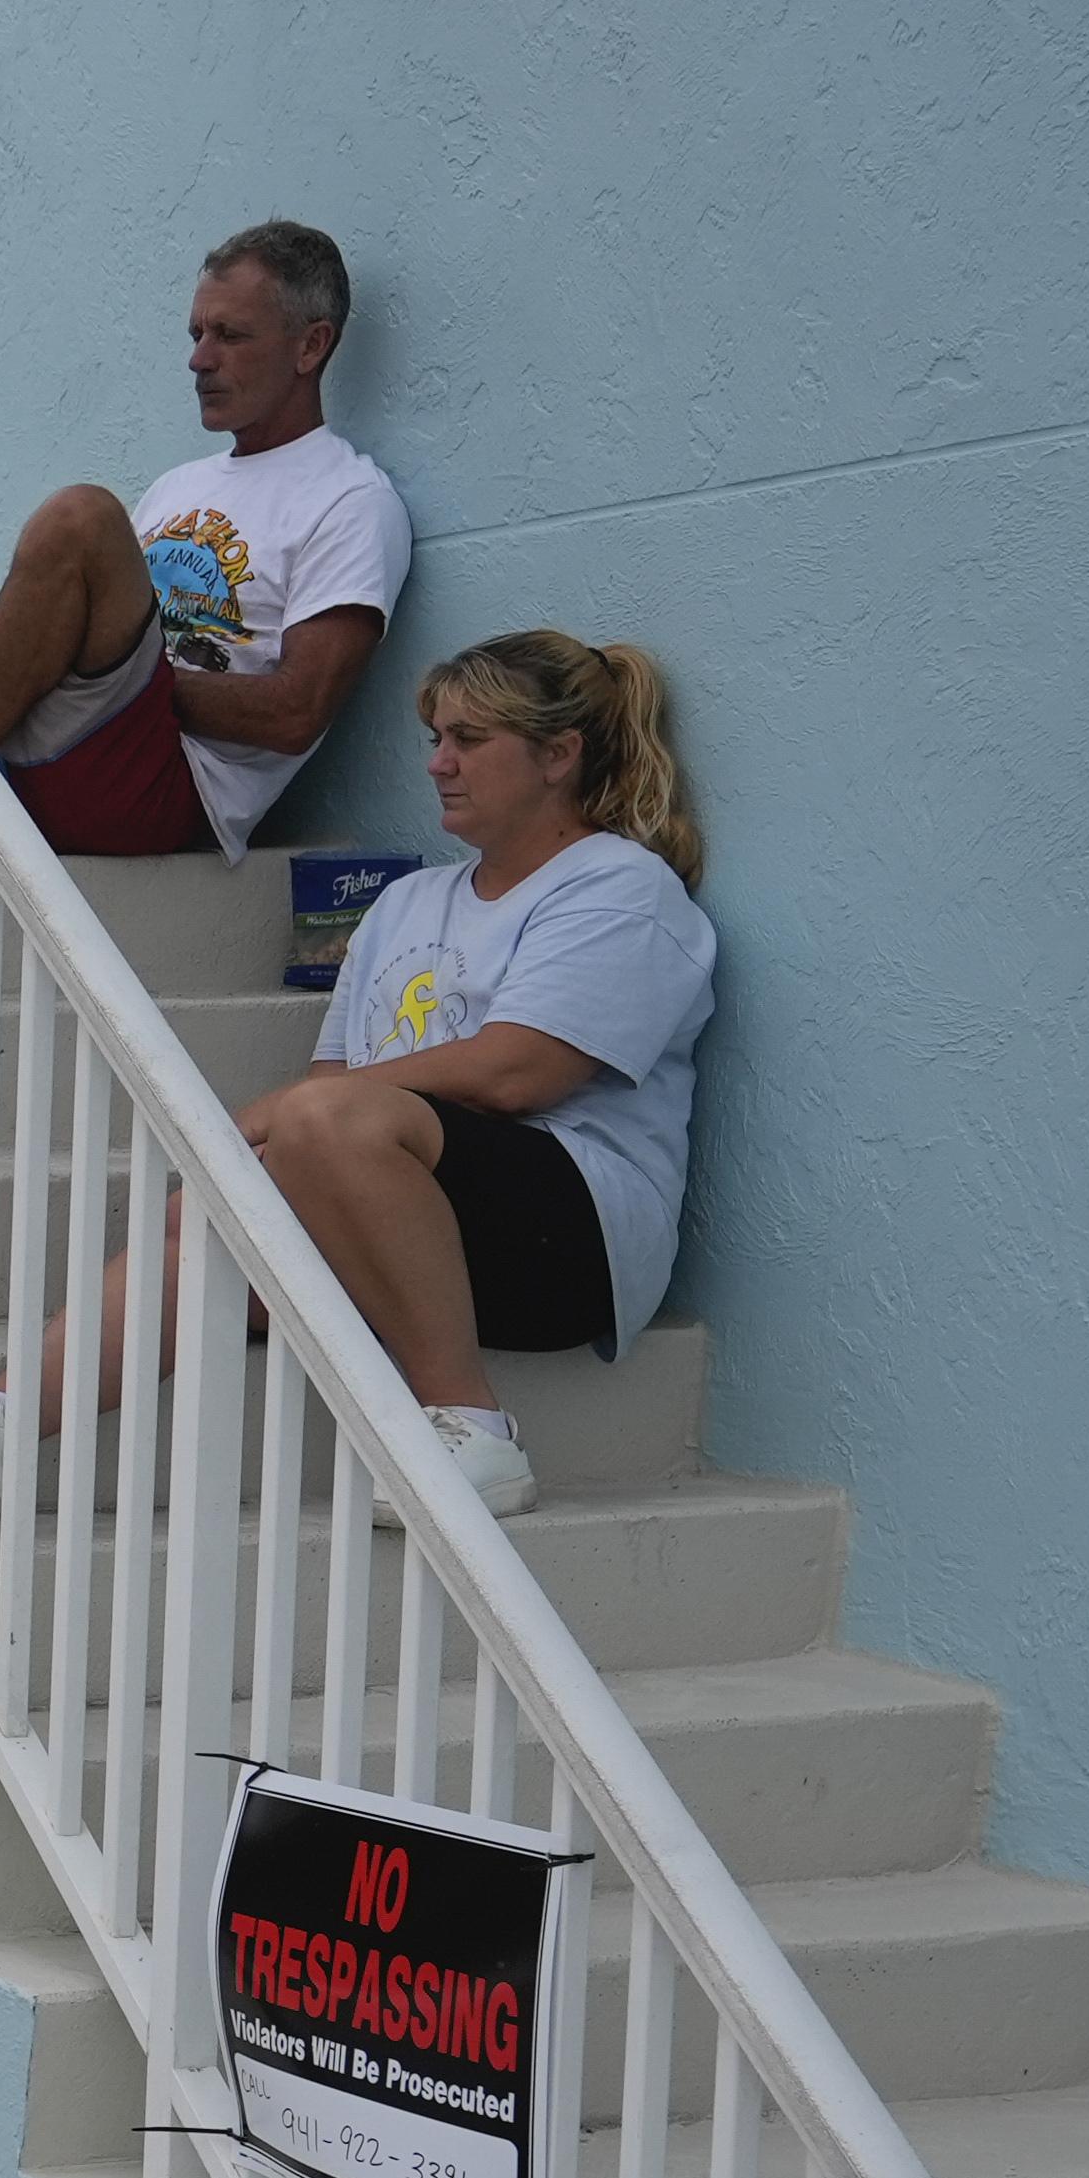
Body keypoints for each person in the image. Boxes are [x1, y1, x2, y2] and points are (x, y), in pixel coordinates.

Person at [239, 632, 713, 1515]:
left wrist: (284, 1110)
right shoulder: (406, 902)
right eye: (435, 740)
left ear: (557, 757)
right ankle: (5, 1419)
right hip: (410, 1210)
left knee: (320, 1122)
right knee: (216, 1208)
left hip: (575, 1245)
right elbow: (331, 1083)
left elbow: (517, 1075)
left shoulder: (618, 887)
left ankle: (472, 1428)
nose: (438, 764)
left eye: (468, 740)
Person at [0, 222, 408, 854]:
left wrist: (99, 678)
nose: (199, 359)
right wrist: (46, 669)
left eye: (230, 335)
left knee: (80, 518)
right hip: (64, 722)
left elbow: (297, 714)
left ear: (311, 347)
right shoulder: (177, 485)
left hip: (159, 778)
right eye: (197, 334)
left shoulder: (352, 501)